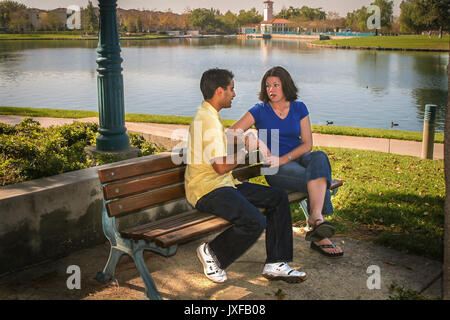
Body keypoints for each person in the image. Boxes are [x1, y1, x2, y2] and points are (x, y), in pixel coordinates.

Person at [184, 68, 308, 283]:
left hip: (223, 184)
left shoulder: (209, 115)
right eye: (232, 89)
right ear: (220, 91)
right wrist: (246, 151)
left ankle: (276, 263)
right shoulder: (207, 120)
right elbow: (221, 167)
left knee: (277, 198)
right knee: (254, 221)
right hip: (207, 190)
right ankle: (212, 252)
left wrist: (253, 138)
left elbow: (221, 150)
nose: (234, 94)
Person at [231, 66, 344, 258]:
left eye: (276, 85)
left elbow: (307, 144)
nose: (271, 89)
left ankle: (316, 218)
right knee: (319, 178)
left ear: (286, 86)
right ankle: (319, 227)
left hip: (296, 158)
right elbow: (232, 133)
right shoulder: (259, 110)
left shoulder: (299, 108)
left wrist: (285, 158)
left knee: (319, 157)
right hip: (273, 169)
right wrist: (254, 138)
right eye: (267, 86)